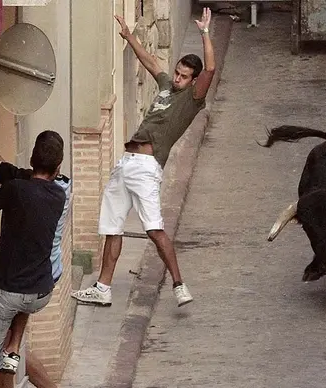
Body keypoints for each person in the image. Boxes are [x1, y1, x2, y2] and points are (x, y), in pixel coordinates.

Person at [70, 8, 216, 308]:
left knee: (154, 229)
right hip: (125, 165)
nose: (177, 78)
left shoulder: (192, 100)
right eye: (176, 72)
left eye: (184, 76)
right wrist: (129, 35)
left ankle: (179, 284)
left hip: (146, 168)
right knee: (112, 227)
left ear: (194, 81)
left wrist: (204, 32)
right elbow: (150, 62)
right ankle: (102, 288)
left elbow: (211, 70)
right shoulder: (166, 86)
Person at [0, 100, 79, 388]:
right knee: (5, 347)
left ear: (30, 160)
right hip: (40, 291)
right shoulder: (59, 192)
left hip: (9, 292)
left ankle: (14, 381)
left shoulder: (16, 190)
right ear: (57, 168)